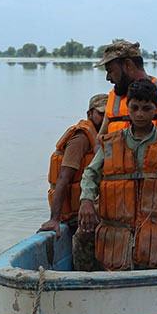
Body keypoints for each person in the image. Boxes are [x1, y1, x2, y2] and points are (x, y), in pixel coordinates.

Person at [78, 79, 157, 271]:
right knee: (82, 236)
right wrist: (86, 200)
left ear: (156, 108)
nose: (140, 114)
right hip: (117, 233)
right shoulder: (111, 143)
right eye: (135, 108)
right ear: (128, 107)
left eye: (146, 108)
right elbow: (90, 173)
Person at [38, 94, 108, 271]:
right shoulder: (81, 137)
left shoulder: (105, 137)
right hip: (78, 214)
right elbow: (64, 177)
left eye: (108, 114)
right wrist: (54, 219)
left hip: (93, 208)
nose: (104, 118)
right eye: (101, 114)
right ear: (90, 114)